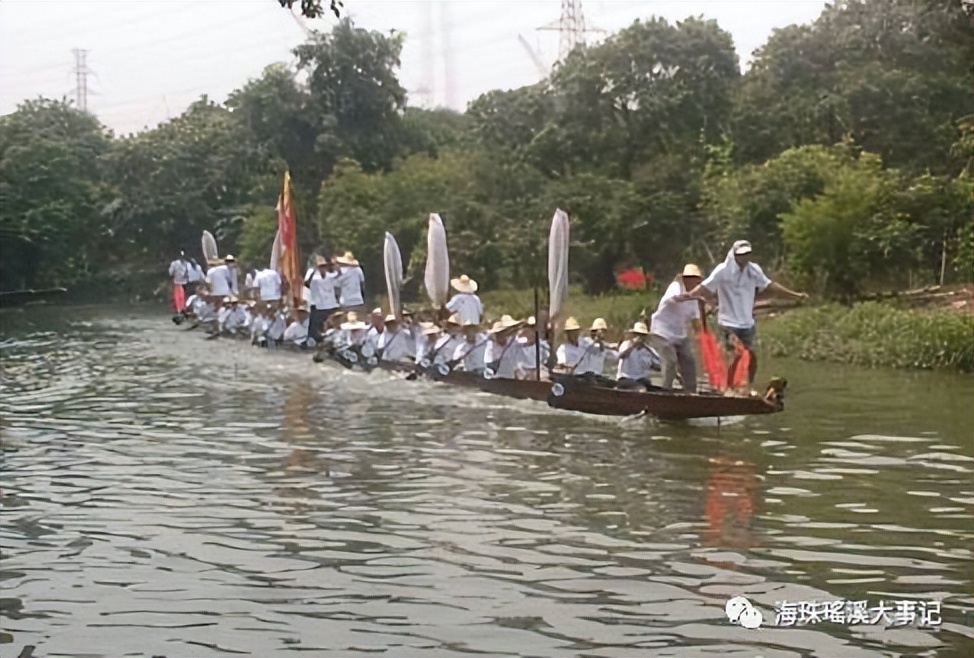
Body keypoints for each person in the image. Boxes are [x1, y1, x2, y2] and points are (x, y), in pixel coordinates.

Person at [680, 240, 808, 386]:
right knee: (737, 354)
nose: (744, 258)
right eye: (741, 255)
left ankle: (748, 386)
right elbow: (704, 287)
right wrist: (686, 297)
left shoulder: (754, 271)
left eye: (747, 254)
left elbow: (770, 286)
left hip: (747, 324)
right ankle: (729, 387)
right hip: (728, 323)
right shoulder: (722, 271)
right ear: (734, 255)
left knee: (752, 357)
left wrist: (795, 295)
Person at [649, 264, 704, 392]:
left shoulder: (694, 299)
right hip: (661, 332)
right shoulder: (676, 287)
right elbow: (675, 299)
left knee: (689, 361)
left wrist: (702, 337)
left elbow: (696, 321)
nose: (693, 282)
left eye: (695, 279)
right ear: (685, 279)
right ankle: (665, 392)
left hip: (679, 335)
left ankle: (690, 392)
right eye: (690, 278)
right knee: (671, 361)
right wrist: (693, 296)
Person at [616, 321, 660, 390]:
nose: (640, 337)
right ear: (633, 335)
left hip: (640, 379)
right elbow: (621, 356)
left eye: (642, 335)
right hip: (625, 378)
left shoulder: (647, 349)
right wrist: (633, 346)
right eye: (637, 335)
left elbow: (657, 364)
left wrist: (648, 349)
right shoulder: (626, 344)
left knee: (653, 387)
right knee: (641, 389)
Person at [306, 256, 340, 343]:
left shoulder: (330, 276)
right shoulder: (313, 274)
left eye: (324, 266)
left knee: (330, 324)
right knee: (316, 326)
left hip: (330, 305)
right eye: (321, 266)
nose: (323, 268)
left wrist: (337, 268)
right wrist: (314, 271)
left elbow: (338, 279)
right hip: (318, 305)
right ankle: (315, 340)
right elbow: (307, 283)